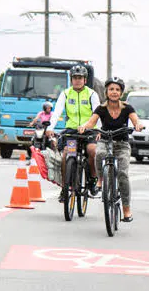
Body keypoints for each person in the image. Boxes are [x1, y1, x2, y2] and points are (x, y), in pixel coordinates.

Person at [78, 77, 143, 222]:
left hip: (122, 145)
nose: (114, 92)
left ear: (121, 92)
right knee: (98, 153)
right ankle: (101, 179)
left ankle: (126, 210)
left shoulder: (127, 108)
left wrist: (138, 125)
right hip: (105, 141)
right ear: (106, 92)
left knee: (123, 175)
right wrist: (84, 127)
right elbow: (91, 122)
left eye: (117, 89)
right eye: (111, 89)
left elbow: (135, 120)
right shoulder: (101, 108)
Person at [46, 65, 101, 198]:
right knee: (67, 155)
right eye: (75, 78)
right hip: (72, 132)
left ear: (85, 80)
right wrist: (50, 128)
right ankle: (65, 188)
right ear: (71, 79)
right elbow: (57, 111)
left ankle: (93, 179)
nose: (77, 80)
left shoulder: (92, 94)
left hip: (89, 130)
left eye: (80, 78)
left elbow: (97, 113)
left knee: (92, 150)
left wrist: (98, 129)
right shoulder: (65, 93)